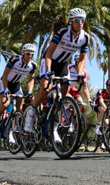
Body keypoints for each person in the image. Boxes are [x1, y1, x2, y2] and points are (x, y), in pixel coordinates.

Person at [26, 8, 91, 142]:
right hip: (49, 60)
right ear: (71, 21)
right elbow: (49, 52)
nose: (80, 23)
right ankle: (31, 112)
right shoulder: (62, 32)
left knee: (65, 91)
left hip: (62, 64)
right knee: (45, 88)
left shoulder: (85, 37)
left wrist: (79, 73)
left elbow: (83, 58)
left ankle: (54, 127)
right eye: (77, 20)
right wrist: (48, 71)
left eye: (82, 21)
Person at [0, 43, 36, 137]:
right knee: (5, 103)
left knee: (19, 105)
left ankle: (13, 129)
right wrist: (5, 90)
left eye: (32, 54)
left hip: (16, 85)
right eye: (27, 54)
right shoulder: (14, 59)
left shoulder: (33, 65)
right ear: (23, 53)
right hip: (5, 82)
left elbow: (31, 80)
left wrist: (30, 92)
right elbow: (5, 74)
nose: (30, 56)